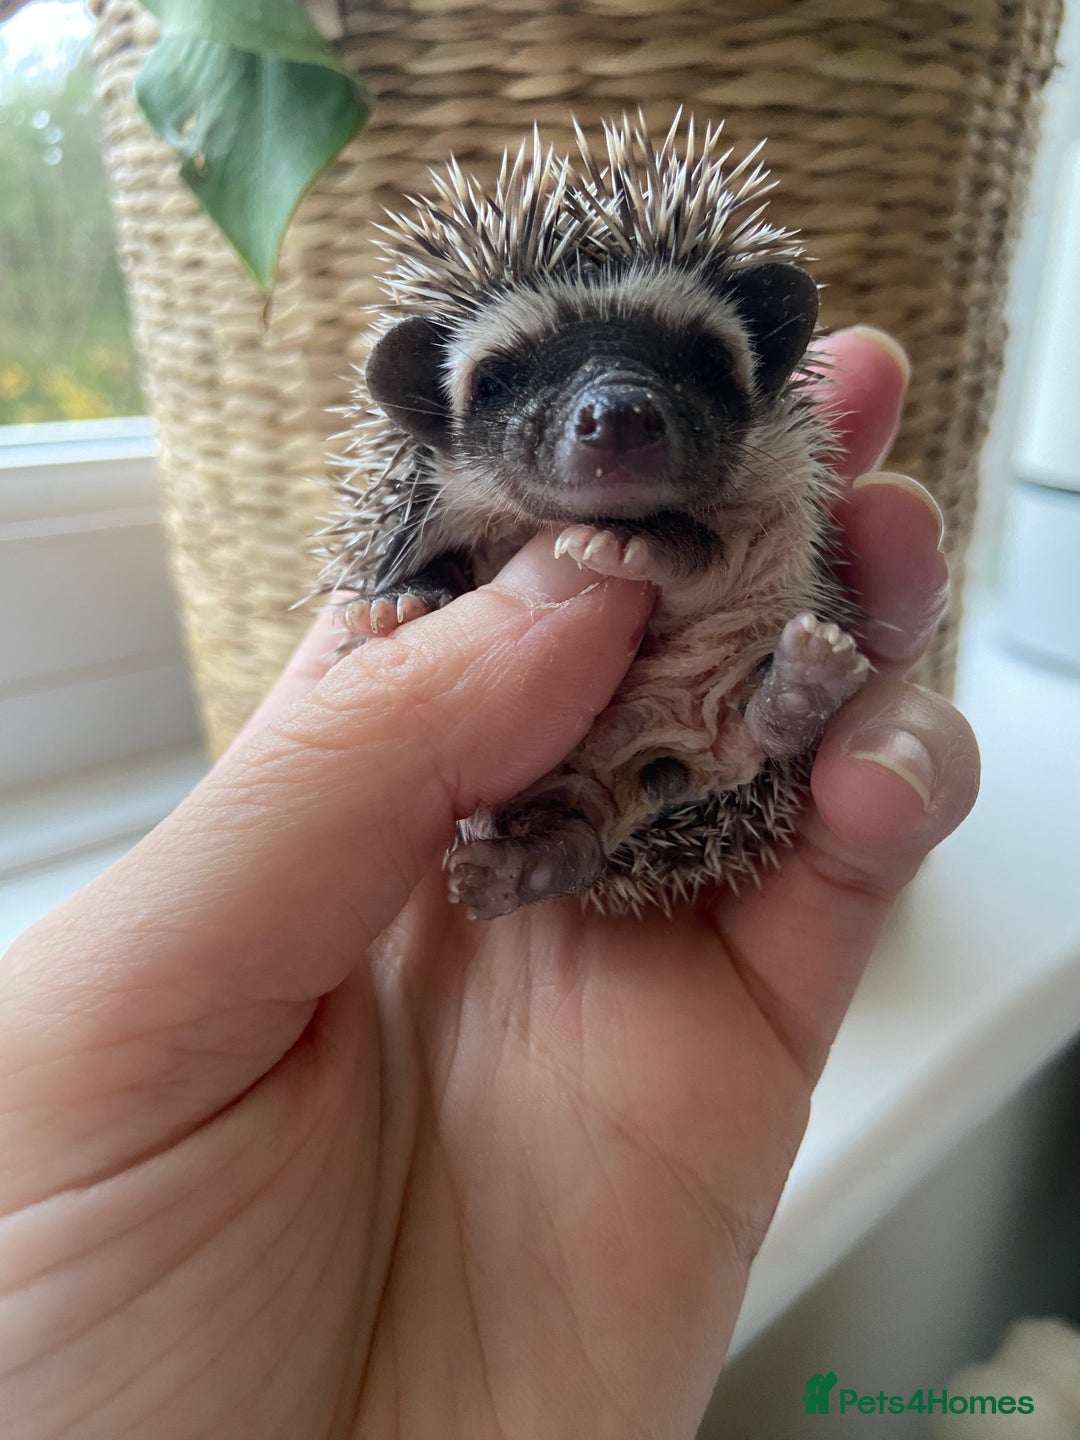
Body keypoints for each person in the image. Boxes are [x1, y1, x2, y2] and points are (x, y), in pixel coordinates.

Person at [0, 327, 978, 1439]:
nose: (617, 412)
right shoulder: (446, 516)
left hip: (702, 699)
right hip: (609, 754)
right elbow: (419, 576)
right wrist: (423, 613)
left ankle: (733, 737)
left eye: (692, 368)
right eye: (511, 380)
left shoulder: (764, 488)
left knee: (740, 703)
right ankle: (605, 806)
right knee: (667, 744)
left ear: (757, 380)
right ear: (434, 413)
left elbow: (753, 559)